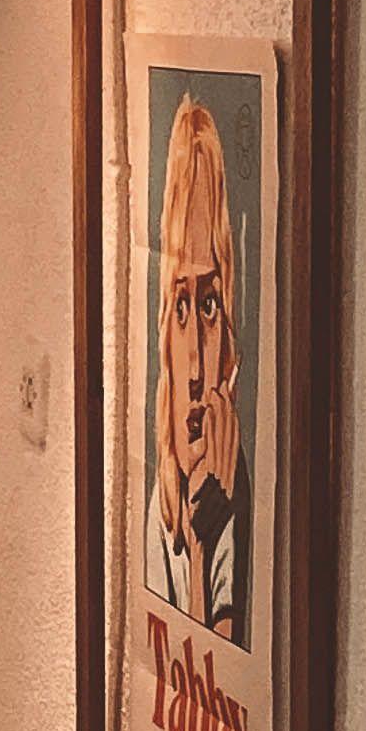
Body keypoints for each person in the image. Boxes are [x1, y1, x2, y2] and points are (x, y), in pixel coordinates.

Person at [146, 92, 252, 644]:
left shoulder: (236, 503)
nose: (193, 366)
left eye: (208, 306)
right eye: (180, 307)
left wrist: (208, 538)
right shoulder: (160, 496)